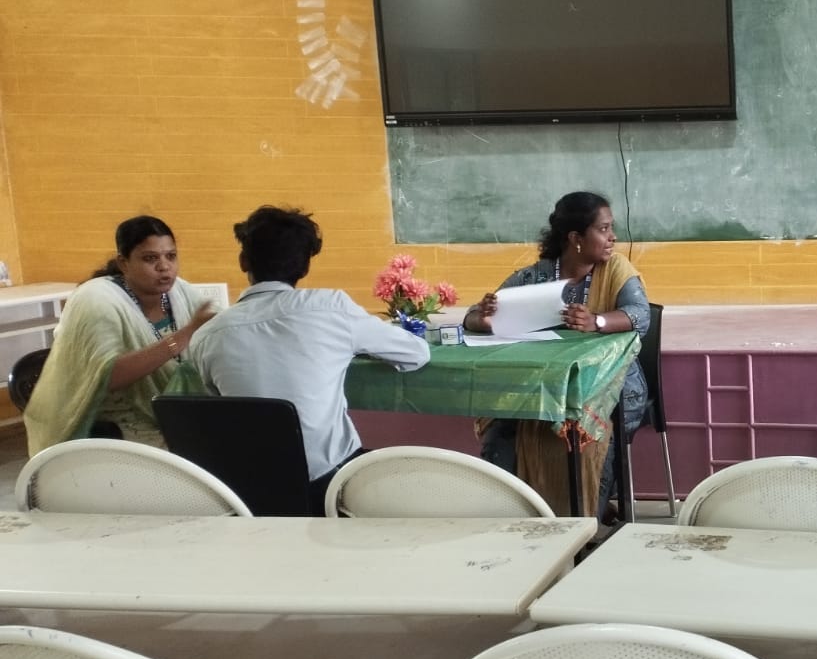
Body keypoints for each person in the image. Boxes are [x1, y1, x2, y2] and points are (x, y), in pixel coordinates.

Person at [188, 206, 430, 512]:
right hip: (328, 483)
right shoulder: (331, 308)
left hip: (248, 492)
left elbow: (219, 402)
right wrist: (354, 345)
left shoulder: (206, 336)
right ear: (304, 267)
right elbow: (416, 355)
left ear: (243, 261)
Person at [465, 191, 649, 521]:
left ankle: (586, 516)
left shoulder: (616, 269)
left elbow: (640, 315)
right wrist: (485, 317)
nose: (613, 237)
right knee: (503, 421)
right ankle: (510, 513)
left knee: (594, 429)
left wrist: (597, 321)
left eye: (611, 228)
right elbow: (473, 318)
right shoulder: (535, 276)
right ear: (575, 238)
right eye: (603, 229)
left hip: (607, 385)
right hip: (541, 385)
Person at [25, 215, 216, 455]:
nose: (164, 267)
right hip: (115, 424)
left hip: (171, 415)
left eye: (171, 256)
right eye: (150, 258)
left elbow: (216, 329)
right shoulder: (95, 300)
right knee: (205, 454)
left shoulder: (179, 292)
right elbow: (107, 376)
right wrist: (183, 336)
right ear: (124, 263)